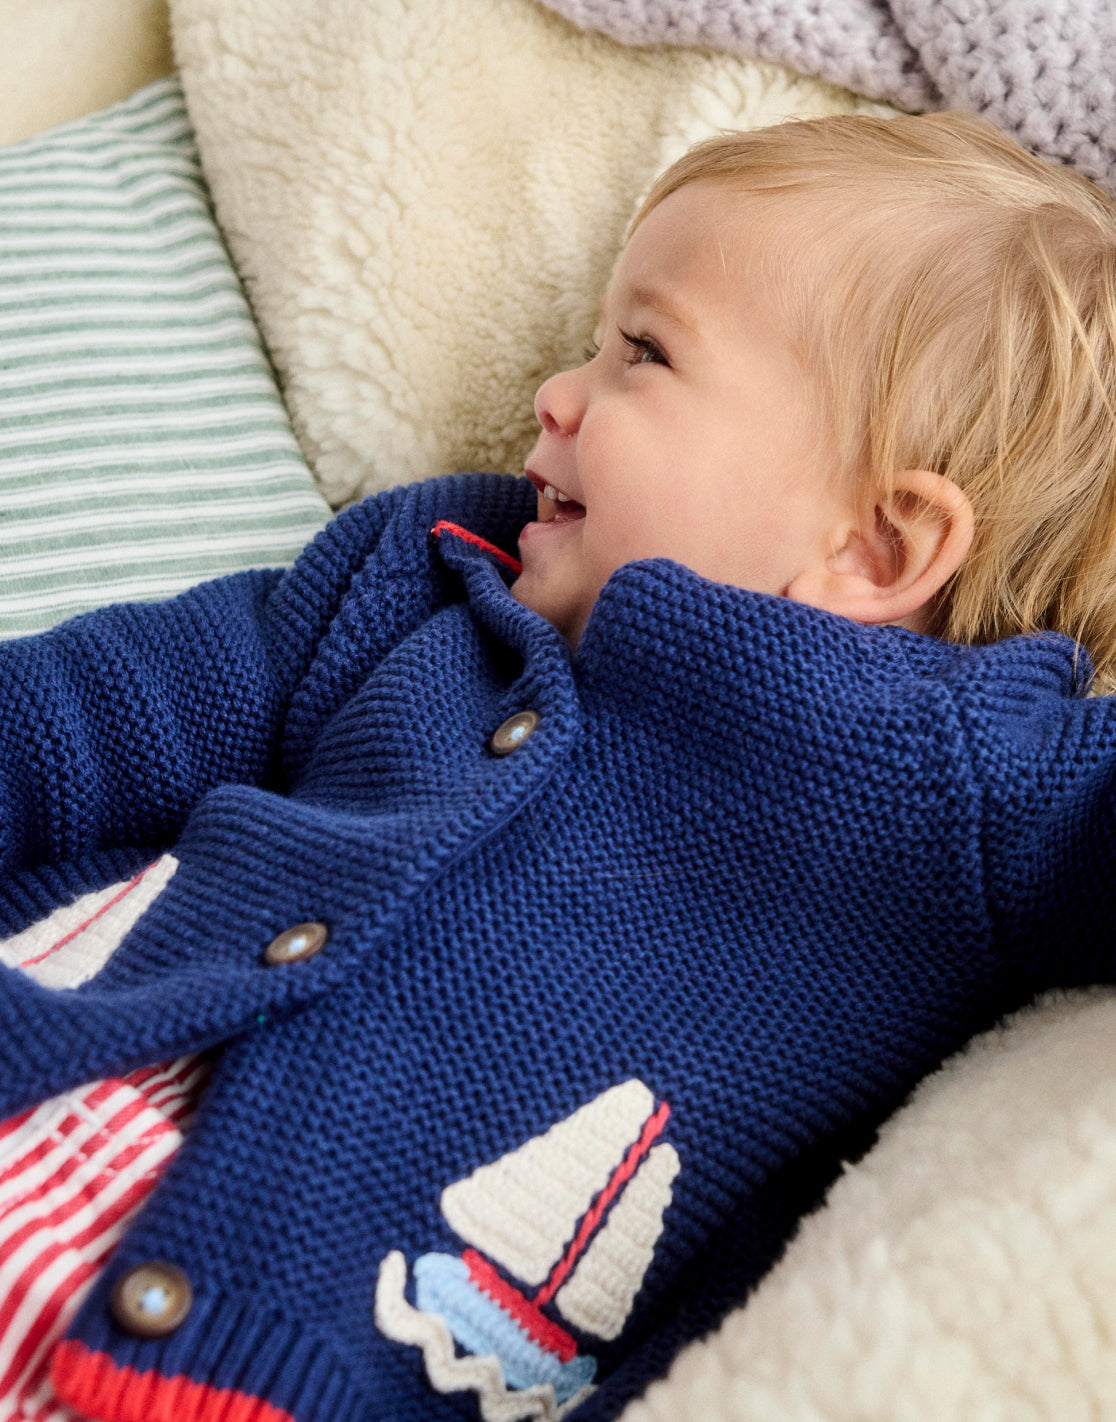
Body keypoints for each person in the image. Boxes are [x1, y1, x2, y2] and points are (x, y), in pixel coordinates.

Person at [1, 110, 1116, 1422]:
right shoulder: (431, 568)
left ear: (877, 543)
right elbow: (99, 710)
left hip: (303, 1362)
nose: (555, 390)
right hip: (59, 1078)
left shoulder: (967, 785)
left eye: (642, 350)